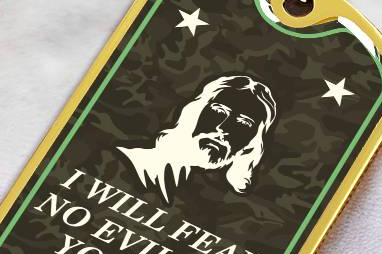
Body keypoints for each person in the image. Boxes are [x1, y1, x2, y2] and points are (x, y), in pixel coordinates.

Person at [117, 74, 277, 202]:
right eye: (219, 111)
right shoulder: (122, 165)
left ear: (251, 143)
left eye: (243, 123)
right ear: (192, 114)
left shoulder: (203, 198)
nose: (223, 129)